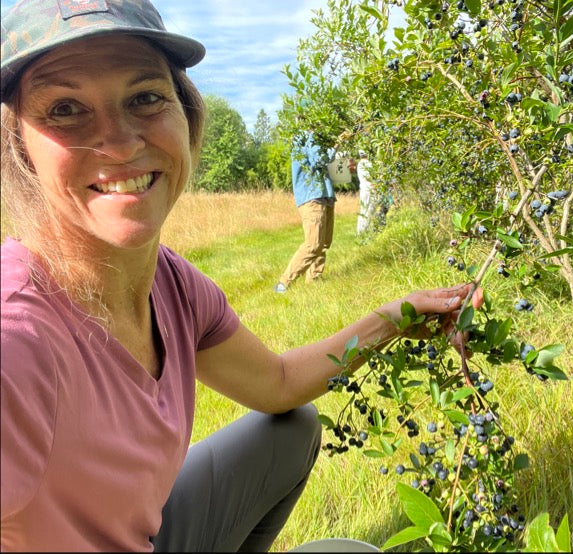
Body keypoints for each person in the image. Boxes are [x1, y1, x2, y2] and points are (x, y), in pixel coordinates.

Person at [0, 1, 475, 551]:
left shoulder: (172, 283)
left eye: (146, 97)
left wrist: (392, 320)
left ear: (187, 113)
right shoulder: (17, 344)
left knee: (293, 428)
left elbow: (276, 384)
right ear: (20, 150)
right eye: (64, 108)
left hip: (143, 533)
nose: (121, 140)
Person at [273, 129, 336, 293]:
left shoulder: (315, 137)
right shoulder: (307, 137)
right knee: (313, 244)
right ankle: (283, 284)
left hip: (324, 194)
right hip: (312, 196)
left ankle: (314, 280)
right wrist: (336, 146)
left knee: (323, 243)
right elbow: (318, 160)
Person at [356, 150, 377, 235]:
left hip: (363, 189)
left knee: (363, 209)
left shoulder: (360, 163)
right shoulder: (368, 163)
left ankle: (360, 231)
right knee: (369, 210)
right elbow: (372, 177)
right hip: (369, 189)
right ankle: (364, 231)